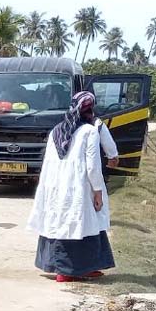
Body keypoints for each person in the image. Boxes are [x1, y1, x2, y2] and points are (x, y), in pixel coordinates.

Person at [28, 91, 115, 283]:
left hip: (56, 186)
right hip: (79, 186)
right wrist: (98, 191)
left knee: (65, 222)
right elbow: (92, 166)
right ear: (91, 110)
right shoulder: (90, 131)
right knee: (82, 223)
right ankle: (67, 270)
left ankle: (82, 267)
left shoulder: (56, 130)